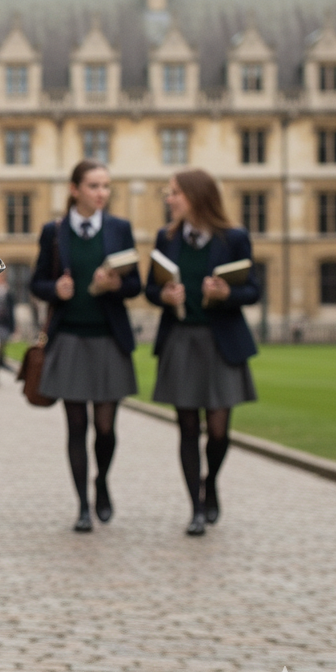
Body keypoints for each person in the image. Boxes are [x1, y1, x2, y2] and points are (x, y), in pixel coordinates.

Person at [145, 169, 259, 537]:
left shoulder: (234, 238)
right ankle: (195, 506)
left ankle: (211, 485)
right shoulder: (166, 237)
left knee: (220, 431)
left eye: (174, 192)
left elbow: (253, 290)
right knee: (188, 428)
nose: (169, 198)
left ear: (194, 196)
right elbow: (150, 289)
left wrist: (227, 295)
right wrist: (164, 296)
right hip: (180, 339)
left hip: (220, 340)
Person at [29, 160, 141, 532]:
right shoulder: (55, 231)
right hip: (70, 339)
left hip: (109, 339)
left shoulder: (120, 228)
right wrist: (54, 290)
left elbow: (135, 284)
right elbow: (37, 283)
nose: (101, 193)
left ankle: (102, 482)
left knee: (105, 428)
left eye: (106, 186)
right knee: (76, 426)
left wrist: (115, 286)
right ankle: (82, 506)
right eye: (94, 185)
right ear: (75, 189)